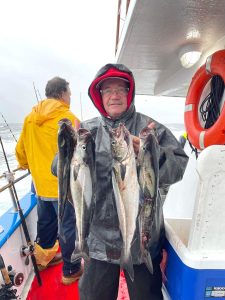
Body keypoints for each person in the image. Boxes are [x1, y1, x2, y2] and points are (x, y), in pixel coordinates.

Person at [77, 64, 189, 300]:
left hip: (142, 241)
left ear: (130, 93)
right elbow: (57, 168)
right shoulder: (87, 131)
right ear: (100, 97)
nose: (114, 95)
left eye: (120, 89)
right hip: (98, 240)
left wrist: (151, 154)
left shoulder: (151, 128)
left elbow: (179, 167)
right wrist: (70, 151)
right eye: (108, 90)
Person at [15, 77, 82, 285]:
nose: (70, 97)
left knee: (45, 223)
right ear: (62, 93)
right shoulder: (69, 118)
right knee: (68, 228)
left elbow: (20, 152)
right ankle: (70, 270)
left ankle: (45, 259)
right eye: (69, 94)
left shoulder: (29, 118)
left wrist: (27, 165)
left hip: (40, 185)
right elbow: (80, 155)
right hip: (63, 186)